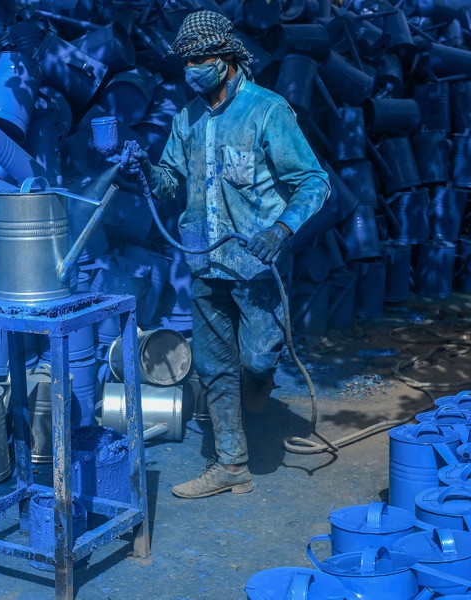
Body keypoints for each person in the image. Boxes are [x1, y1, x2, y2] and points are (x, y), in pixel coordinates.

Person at [121, 10, 330, 499]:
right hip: (204, 259)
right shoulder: (186, 119)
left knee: (256, 359)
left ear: (228, 59)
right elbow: (170, 183)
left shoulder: (267, 111)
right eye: (186, 61)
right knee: (215, 365)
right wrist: (145, 172)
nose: (191, 69)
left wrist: (281, 229)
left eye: (200, 59)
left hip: (258, 264)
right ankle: (231, 464)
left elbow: (314, 182)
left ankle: (259, 385)